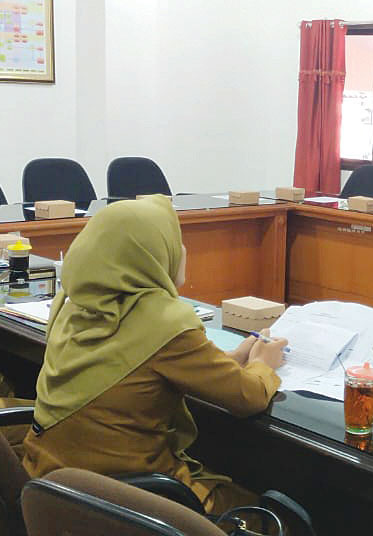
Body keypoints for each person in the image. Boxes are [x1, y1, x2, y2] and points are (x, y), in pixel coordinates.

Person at [21, 195, 288, 515]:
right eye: (173, 241)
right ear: (147, 255)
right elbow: (249, 397)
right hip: (128, 497)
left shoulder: (75, 304)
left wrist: (233, 357)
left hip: (51, 481)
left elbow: (130, 369)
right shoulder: (164, 320)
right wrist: (262, 363)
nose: (182, 250)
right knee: (274, 513)